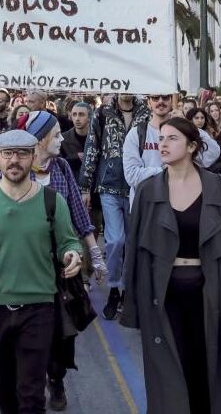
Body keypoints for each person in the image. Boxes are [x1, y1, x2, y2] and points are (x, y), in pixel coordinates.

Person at [120, 116, 221, 414]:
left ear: (192, 146)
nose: (163, 145)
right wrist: (132, 304)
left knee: (207, 369)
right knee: (170, 371)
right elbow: (135, 252)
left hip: (209, 290)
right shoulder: (147, 190)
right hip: (162, 293)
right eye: (161, 138)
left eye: (172, 138)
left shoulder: (218, 187)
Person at [0, 129, 83, 414]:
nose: (14, 160)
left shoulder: (52, 201)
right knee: (1, 387)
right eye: (7, 154)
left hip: (39, 308)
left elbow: (68, 241)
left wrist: (72, 254)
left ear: (33, 157)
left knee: (31, 394)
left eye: (22, 154)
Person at [0, 111, 104, 410]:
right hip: (23, 268)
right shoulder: (9, 172)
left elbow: (78, 213)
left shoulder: (62, 167)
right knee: (26, 332)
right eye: (55, 135)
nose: (60, 140)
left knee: (61, 333)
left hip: (61, 269)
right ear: (40, 139)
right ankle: (29, 385)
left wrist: (94, 254)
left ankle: (55, 377)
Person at [119, 93, 221, 318]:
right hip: (149, 213)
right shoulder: (137, 134)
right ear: (148, 102)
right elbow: (132, 175)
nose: (161, 102)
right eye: (155, 98)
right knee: (149, 264)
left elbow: (213, 152)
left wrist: (187, 125)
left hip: (183, 210)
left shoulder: (185, 132)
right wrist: (169, 171)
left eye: (165, 97)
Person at [78, 93, 140, 319]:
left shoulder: (145, 113)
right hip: (109, 185)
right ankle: (114, 287)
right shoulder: (103, 113)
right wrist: (85, 186)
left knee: (133, 243)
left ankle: (128, 290)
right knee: (115, 240)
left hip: (137, 186)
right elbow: (92, 148)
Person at [60, 101, 92, 183]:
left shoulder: (97, 137)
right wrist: (76, 157)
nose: (77, 118)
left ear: (89, 117)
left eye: (81, 115)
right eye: (74, 114)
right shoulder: (63, 139)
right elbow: (59, 163)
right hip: (71, 182)